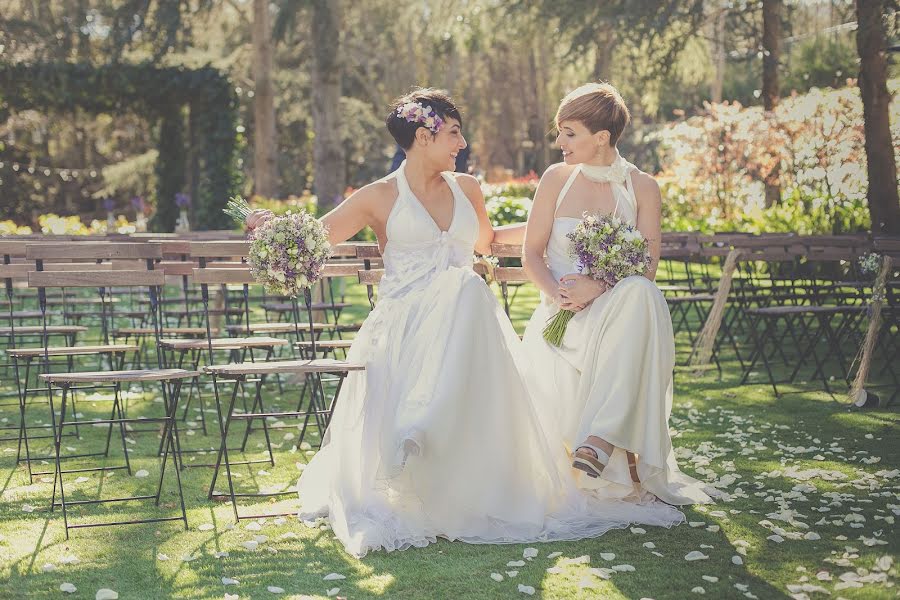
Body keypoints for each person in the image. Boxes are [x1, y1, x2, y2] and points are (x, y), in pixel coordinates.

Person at [246, 87, 684, 557]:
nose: (462, 143)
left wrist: (568, 233)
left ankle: (425, 431)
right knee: (467, 289)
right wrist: (269, 228)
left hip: (461, 320)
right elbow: (315, 238)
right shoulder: (378, 196)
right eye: (454, 133)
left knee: (467, 288)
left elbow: (488, 240)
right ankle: (413, 430)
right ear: (422, 135)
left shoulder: (468, 188)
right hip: (404, 326)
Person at [520, 83, 716, 505]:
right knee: (640, 298)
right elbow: (531, 255)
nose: (559, 143)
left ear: (602, 137)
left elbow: (647, 264)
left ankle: (601, 438)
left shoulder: (643, 187)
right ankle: (603, 438)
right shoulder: (556, 179)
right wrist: (560, 293)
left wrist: (600, 284)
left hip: (618, 316)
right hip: (563, 318)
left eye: (569, 133)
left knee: (641, 292)